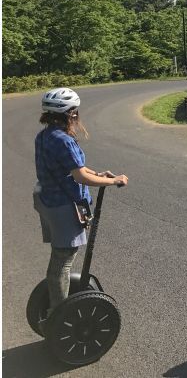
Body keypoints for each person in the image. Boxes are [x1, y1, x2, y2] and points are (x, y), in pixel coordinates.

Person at [33, 88, 129, 318]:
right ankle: (57, 312)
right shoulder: (64, 140)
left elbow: (73, 169)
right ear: (71, 113)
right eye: (75, 111)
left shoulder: (45, 135)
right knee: (62, 261)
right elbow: (79, 177)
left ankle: (56, 306)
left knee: (59, 257)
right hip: (63, 206)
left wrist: (98, 173)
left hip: (48, 200)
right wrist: (113, 180)